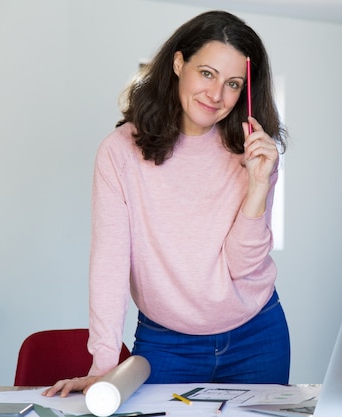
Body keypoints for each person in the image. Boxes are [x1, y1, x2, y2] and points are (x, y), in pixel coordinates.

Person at [44, 10, 289, 397]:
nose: (216, 95)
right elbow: (110, 260)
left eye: (233, 84)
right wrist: (104, 364)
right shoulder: (120, 152)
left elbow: (244, 265)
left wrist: (259, 185)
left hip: (257, 335)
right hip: (166, 345)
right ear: (179, 63)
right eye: (206, 73)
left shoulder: (253, 152)